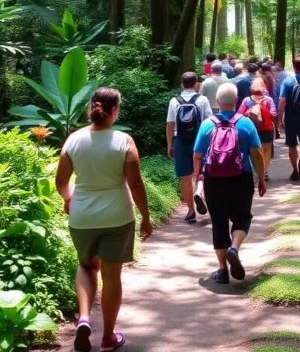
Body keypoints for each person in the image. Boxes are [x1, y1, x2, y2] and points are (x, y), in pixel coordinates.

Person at [56, 88, 153, 352]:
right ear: (114, 110)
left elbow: (61, 182)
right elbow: (135, 182)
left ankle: (84, 318)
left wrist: (68, 200)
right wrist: (145, 216)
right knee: (112, 277)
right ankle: (108, 337)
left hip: (82, 216)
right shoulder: (124, 141)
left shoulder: (73, 140)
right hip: (117, 216)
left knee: (87, 267)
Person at [192, 83, 267, 283]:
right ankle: (234, 248)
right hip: (241, 178)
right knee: (243, 218)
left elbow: (198, 155)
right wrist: (261, 177)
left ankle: (222, 270)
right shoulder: (246, 123)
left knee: (219, 222)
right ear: (235, 101)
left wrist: (198, 177)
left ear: (217, 102)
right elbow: (257, 154)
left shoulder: (207, 124)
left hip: (214, 179)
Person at [166, 71, 213, 223]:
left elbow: (170, 124)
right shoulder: (202, 99)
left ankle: (191, 211)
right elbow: (210, 122)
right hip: (200, 141)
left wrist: (169, 144)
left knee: (184, 177)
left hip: (180, 141)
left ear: (182, 84)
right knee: (201, 171)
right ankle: (199, 191)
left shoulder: (174, 101)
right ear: (196, 84)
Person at [238, 77, 277, 181]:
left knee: (253, 150)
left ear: (252, 88)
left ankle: (254, 170)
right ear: (263, 87)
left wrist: (249, 113)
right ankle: (264, 171)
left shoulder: (246, 100)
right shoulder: (268, 100)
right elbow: (274, 114)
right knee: (266, 150)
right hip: (267, 128)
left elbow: (239, 115)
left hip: (251, 129)